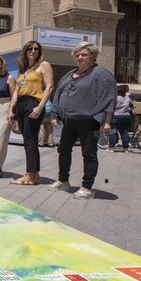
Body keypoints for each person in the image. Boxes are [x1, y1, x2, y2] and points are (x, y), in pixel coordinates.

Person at [49, 42, 117, 199]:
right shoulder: (70, 74)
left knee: (89, 153)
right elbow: (59, 93)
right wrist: (55, 114)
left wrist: (106, 121)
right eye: (77, 55)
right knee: (63, 150)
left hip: (89, 121)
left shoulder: (101, 74)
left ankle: (87, 187)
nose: (79, 58)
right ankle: (63, 181)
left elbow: (109, 98)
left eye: (84, 55)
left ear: (93, 56)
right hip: (69, 120)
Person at [8, 41, 53, 186]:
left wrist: (40, 107)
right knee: (29, 139)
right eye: (29, 49)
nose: (33, 51)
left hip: (33, 103)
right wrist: (11, 109)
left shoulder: (43, 65)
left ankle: (30, 175)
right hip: (21, 103)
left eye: (36, 49)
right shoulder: (23, 69)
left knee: (30, 140)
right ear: (25, 51)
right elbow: (16, 91)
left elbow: (49, 87)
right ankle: (35, 175)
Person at [109, 85, 133, 153]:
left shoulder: (115, 98)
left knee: (113, 131)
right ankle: (125, 148)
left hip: (116, 115)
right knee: (124, 132)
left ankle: (111, 147)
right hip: (126, 115)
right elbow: (131, 105)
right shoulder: (127, 98)